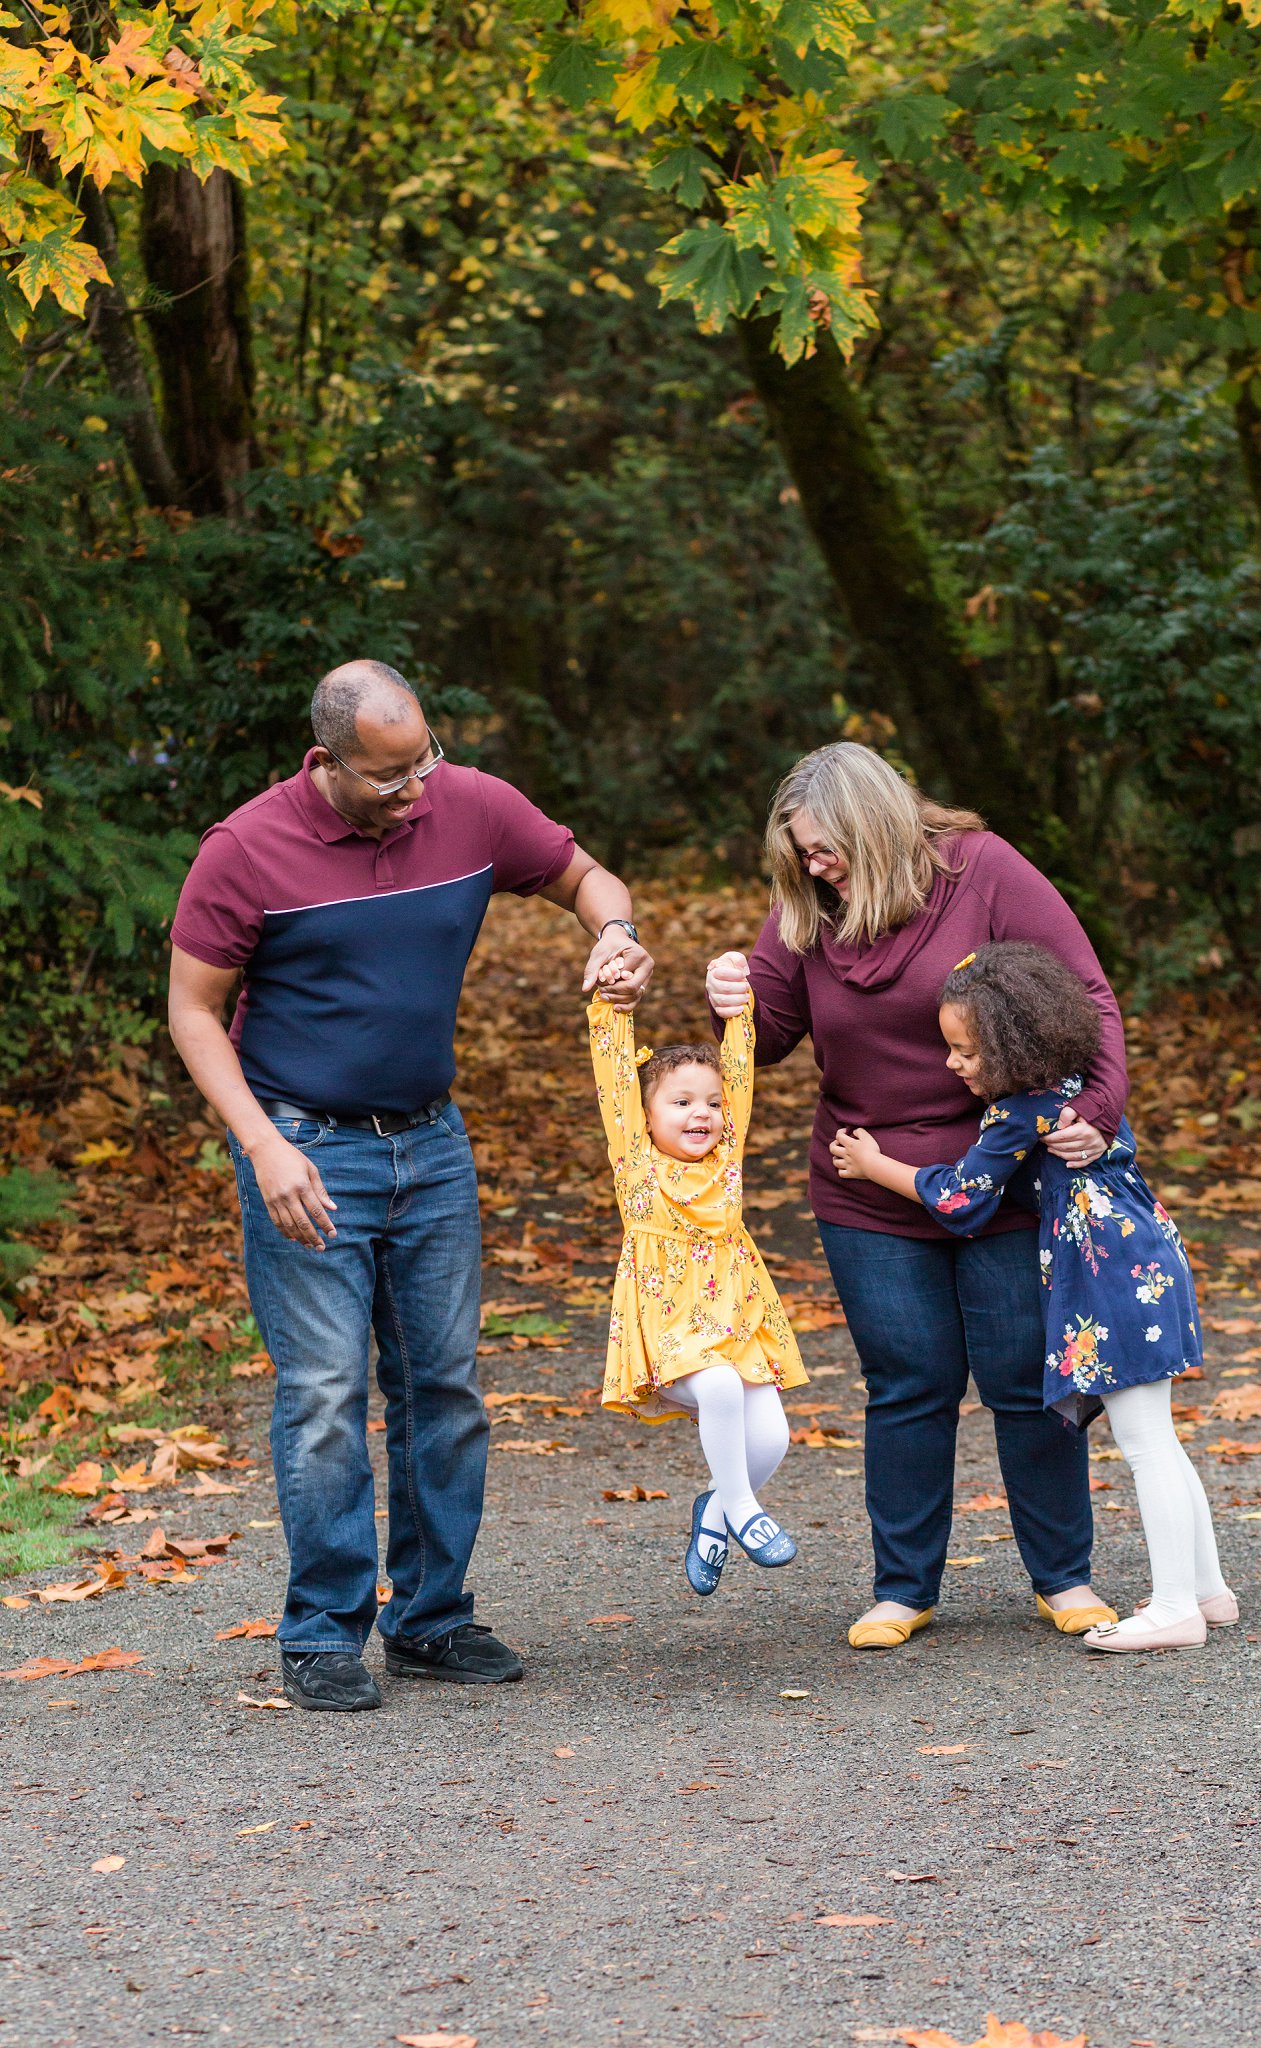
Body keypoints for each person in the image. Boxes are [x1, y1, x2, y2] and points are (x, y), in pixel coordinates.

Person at [167, 659, 653, 1712]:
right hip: (305, 1143)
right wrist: (260, 1144)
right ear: (328, 760)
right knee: (326, 1392)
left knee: (444, 1387)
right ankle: (323, 1630)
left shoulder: (469, 803)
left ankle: (430, 1617)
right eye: (390, 776)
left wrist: (615, 932)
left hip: (431, 1144)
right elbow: (194, 1012)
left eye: (424, 759)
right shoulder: (245, 848)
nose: (416, 789)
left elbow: (586, 877)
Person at [706, 741, 1124, 1652]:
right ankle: (903, 1589)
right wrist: (730, 992)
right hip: (867, 1183)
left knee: (1023, 1383)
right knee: (907, 1385)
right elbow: (770, 1033)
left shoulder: (984, 871)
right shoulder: (810, 902)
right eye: (800, 854)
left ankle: (1064, 1579)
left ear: (875, 824)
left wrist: (1091, 1112)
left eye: (824, 848)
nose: (813, 866)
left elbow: (1084, 996)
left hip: (1003, 1174)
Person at [831, 941, 1237, 1653]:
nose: (951, 1064)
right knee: (1159, 1437)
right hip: (1149, 1259)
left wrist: (872, 1165)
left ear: (1014, 1049)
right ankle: (1207, 1590)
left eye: (965, 1052)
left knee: (1142, 1444)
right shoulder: (1081, 1091)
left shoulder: (1018, 1114)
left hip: (1104, 1277)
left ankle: (1174, 1607)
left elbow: (958, 1199)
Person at [586, 965, 808, 1595]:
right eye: (680, 1103)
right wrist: (611, 1006)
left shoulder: (726, 1159)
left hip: (736, 1320)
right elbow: (610, 1071)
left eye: (710, 1103)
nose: (702, 1114)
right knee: (715, 1386)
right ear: (647, 1113)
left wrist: (740, 1013)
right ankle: (742, 1511)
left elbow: (740, 1071)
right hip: (671, 1326)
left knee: (772, 1436)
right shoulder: (636, 1162)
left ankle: (714, 1509)